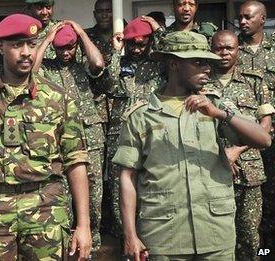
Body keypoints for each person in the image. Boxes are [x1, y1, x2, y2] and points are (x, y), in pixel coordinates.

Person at [0, 13, 91, 260]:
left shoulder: (57, 99)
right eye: (17, 45)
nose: (26, 53)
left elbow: (76, 160)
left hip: (47, 211)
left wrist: (84, 225)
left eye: (32, 44)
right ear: (0, 47)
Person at [113, 31, 272, 261]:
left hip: (214, 234)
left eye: (207, 62)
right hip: (164, 236)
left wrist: (220, 114)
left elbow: (263, 140)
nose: (207, 68)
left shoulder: (214, 105)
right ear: (174, 64)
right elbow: (127, 177)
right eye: (198, 62)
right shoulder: (142, 116)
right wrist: (130, 234)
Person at [34, 21, 105, 252]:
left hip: (90, 138)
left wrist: (82, 33)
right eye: (61, 48)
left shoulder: (83, 66)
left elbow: (98, 62)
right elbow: (32, 71)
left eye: (70, 48)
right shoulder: (48, 68)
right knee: (61, 193)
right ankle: (66, 244)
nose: (66, 53)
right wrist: (46, 40)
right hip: (58, 139)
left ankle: (91, 244)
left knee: (93, 194)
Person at [209, 30, 274, 261]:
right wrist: (220, 154)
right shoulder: (200, 81)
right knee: (216, 237)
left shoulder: (254, 80)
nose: (224, 53)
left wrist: (236, 150)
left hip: (249, 173)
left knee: (249, 236)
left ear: (238, 50)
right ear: (211, 49)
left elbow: (266, 127)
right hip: (211, 172)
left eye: (229, 48)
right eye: (219, 48)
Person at [105, 17, 163, 240]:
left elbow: (172, 49)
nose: (137, 49)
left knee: (153, 183)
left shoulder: (159, 65)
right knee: (120, 187)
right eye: (133, 44)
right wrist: (115, 52)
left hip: (153, 133)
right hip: (120, 134)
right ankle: (127, 239)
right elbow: (108, 84)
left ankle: (150, 239)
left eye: (142, 44)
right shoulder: (119, 65)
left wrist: (158, 31)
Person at [237, 1, 275, 250]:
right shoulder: (231, 48)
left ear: (263, 18)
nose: (242, 21)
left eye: (248, 17)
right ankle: (252, 247)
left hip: (272, 136)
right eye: (240, 17)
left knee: (271, 194)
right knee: (248, 199)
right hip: (243, 136)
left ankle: (268, 246)